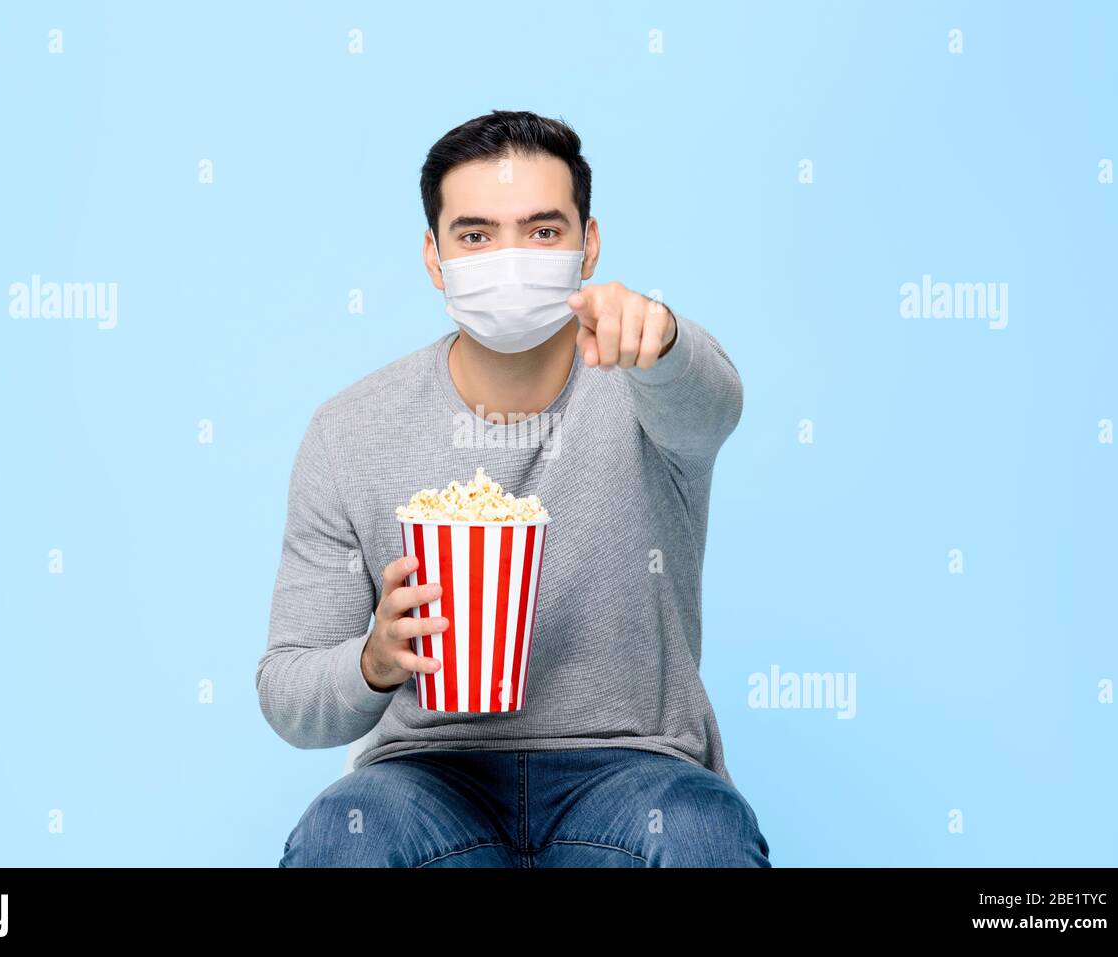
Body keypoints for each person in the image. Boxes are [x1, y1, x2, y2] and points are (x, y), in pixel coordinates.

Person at [258, 110, 770, 867]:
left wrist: (661, 337)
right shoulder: (349, 431)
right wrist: (374, 660)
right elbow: (288, 689)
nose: (508, 259)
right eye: (475, 235)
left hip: (634, 772)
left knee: (700, 834)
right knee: (343, 832)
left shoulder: (649, 386)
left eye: (541, 231)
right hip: (427, 779)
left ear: (588, 243)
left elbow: (714, 403)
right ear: (434, 257)